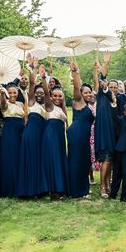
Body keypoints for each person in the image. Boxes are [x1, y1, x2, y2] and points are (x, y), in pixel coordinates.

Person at [17, 62, 48, 198]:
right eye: (37, 93)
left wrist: (44, 78)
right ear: (34, 94)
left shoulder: (46, 106)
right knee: (30, 160)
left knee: (38, 161)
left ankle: (38, 189)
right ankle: (28, 190)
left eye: (42, 93)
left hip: (41, 135)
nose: (39, 94)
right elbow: (31, 84)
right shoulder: (31, 102)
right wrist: (33, 69)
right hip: (30, 134)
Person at [39, 65, 69, 199]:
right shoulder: (49, 105)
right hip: (50, 135)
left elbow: (66, 120)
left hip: (60, 136)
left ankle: (61, 187)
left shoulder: (61, 108)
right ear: (51, 96)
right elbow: (46, 92)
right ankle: (54, 190)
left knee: (60, 159)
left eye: (60, 96)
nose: (57, 97)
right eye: (55, 95)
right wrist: (44, 78)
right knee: (53, 160)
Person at [67, 61, 95, 198]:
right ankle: (76, 190)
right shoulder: (78, 101)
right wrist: (76, 72)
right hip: (76, 134)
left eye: (90, 92)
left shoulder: (90, 104)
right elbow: (77, 86)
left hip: (84, 137)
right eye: (86, 92)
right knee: (77, 161)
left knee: (85, 161)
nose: (89, 94)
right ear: (81, 94)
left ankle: (83, 188)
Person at [94, 52, 116, 198]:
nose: (112, 88)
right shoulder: (102, 96)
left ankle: (108, 183)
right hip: (103, 131)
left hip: (113, 132)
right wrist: (105, 64)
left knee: (110, 159)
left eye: (115, 87)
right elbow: (102, 79)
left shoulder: (117, 100)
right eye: (110, 86)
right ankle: (102, 186)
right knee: (105, 158)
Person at [0, 82, 25, 197]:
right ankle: (10, 188)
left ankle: (21, 185)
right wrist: (2, 94)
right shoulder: (4, 103)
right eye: (10, 93)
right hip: (9, 132)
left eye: (14, 92)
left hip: (21, 132)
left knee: (20, 157)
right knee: (10, 158)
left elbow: (25, 117)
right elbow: (3, 104)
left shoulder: (21, 104)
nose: (12, 95)